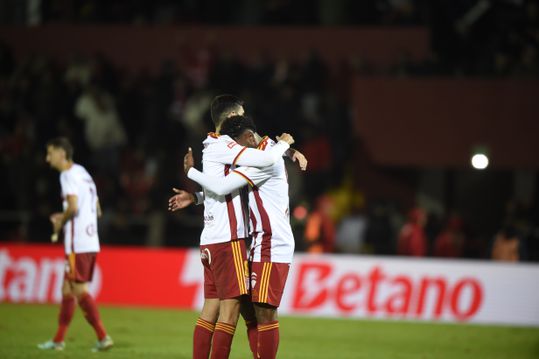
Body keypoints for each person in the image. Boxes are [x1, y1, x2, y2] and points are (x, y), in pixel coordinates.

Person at [168, 95, 298, 359]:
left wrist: (196, 197)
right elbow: (261, 162)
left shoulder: (212, 145)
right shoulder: (225, 145)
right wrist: (285, 144)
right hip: (229, 239)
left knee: (215, 310)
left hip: (213, 237)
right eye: (240, 115)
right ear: (231, 120)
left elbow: (225, 186)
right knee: (232, 313)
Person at [38, 137, 113, 352]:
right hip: (90, 239)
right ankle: (58, 340)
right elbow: (97, 207)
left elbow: (72, 205)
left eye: (50, 153)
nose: (47, 158)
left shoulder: (67, 175)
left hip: (77, 243)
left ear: (61, 153)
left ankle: (103, 336)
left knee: (79, 290)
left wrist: (60, 219)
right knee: (67, 289)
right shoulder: (83, 172)